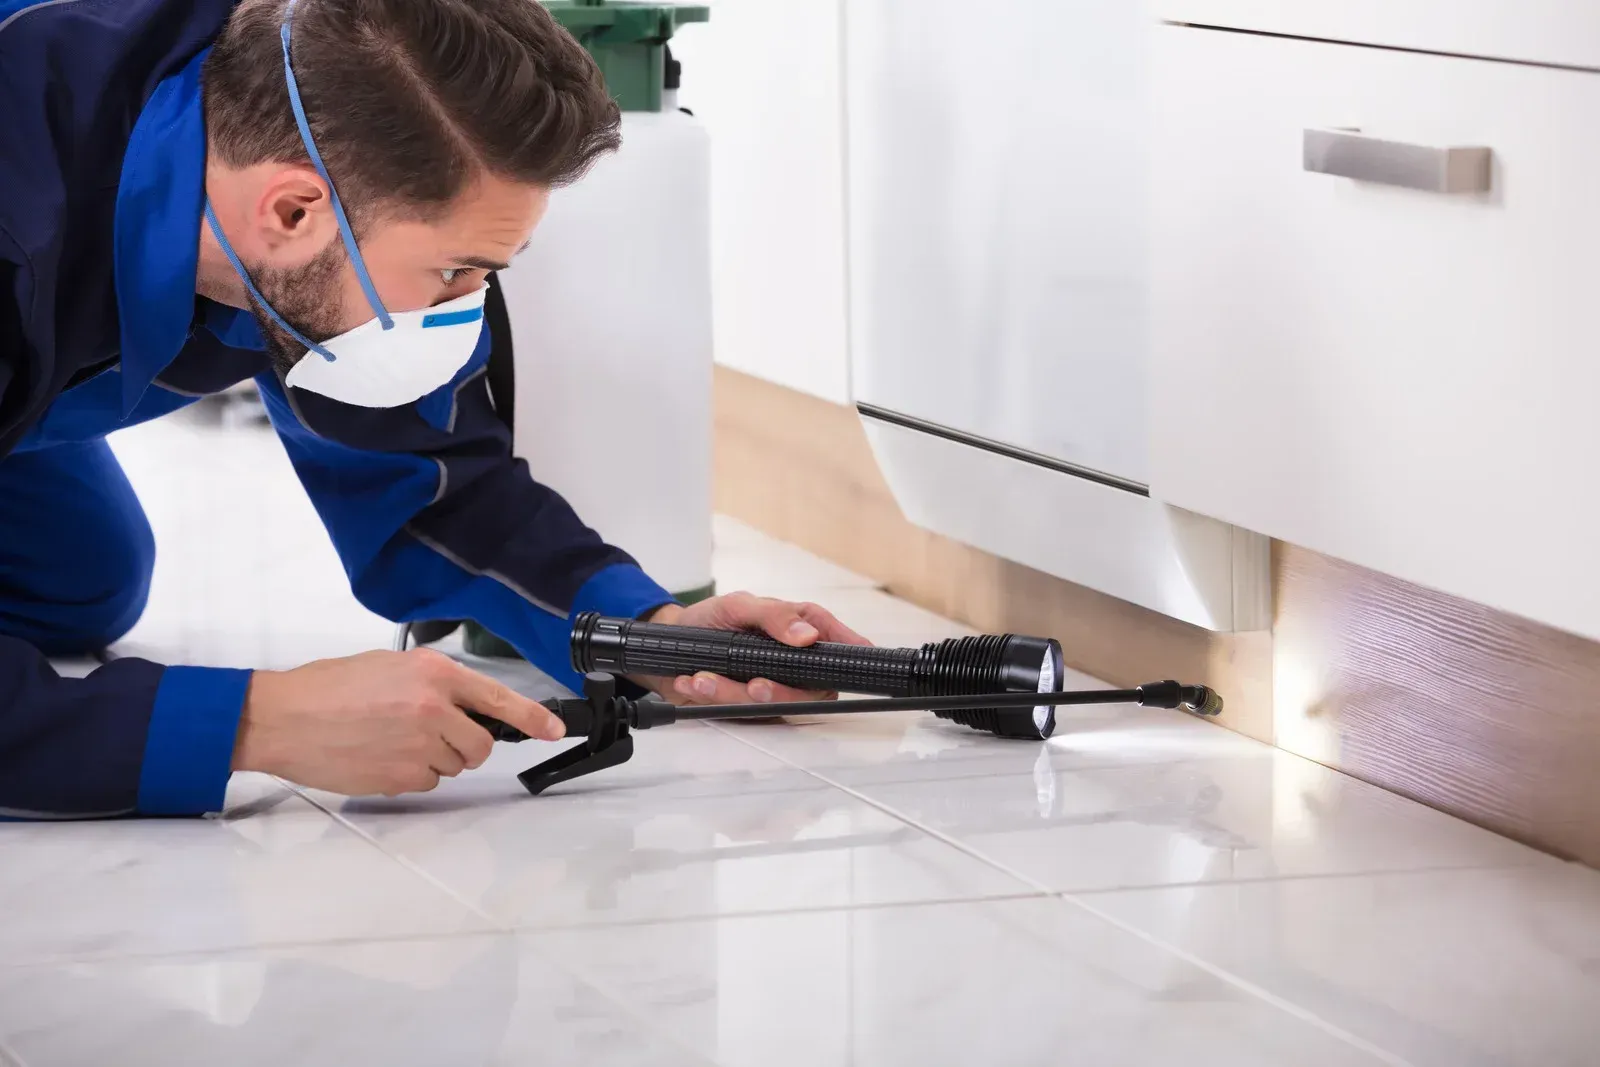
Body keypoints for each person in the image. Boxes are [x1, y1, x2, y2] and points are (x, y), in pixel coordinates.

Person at [0, 0, 868, 818]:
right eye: (455, 271)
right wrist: (256, 720)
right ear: (293, 211)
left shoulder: (291, 109)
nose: (465, 304)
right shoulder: (22, 219)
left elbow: (432, 485)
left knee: (83, 579)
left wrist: (644, 634)